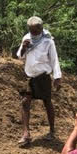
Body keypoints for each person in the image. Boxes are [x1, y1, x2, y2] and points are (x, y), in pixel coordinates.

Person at [16, 16, 62, 146]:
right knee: (25, 102)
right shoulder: (26, 38)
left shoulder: (48, 41)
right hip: (29, 76)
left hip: (43, 76)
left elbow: (54, 59)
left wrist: (57, 77)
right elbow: (20, 56)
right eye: (31, 30)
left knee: (47, 102)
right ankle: (26, 134)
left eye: (36, 31)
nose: (33, 33)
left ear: (41, 28)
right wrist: (24, 47)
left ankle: (52, 131)